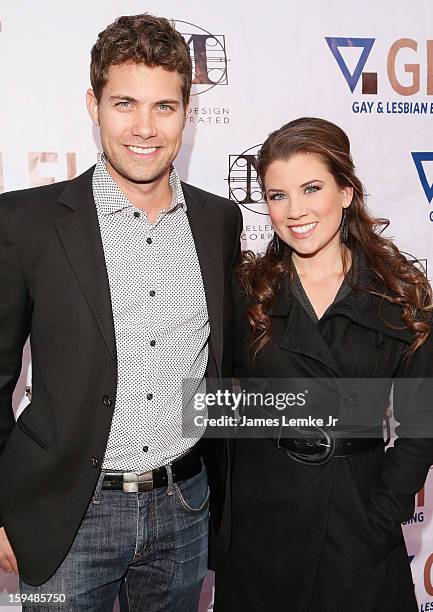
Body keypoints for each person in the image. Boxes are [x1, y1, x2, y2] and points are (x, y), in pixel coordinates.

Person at [0, 13, 241, 612]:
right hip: (68, 513)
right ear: (94, 104)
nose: (144, 128)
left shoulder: (218, 222)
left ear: (188, 113)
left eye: (164, 107)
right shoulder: (26, 224)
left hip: (186, 508)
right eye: (124, 103)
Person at [213, 117, 433, 611]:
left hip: (356, 521)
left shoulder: (399, 296)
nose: (295, 211)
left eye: (311, 188)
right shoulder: (247, 293)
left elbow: (422, 426)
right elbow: (214, 407)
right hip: (261, 528)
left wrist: (380, 515)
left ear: (347, 191)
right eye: (277, 195)